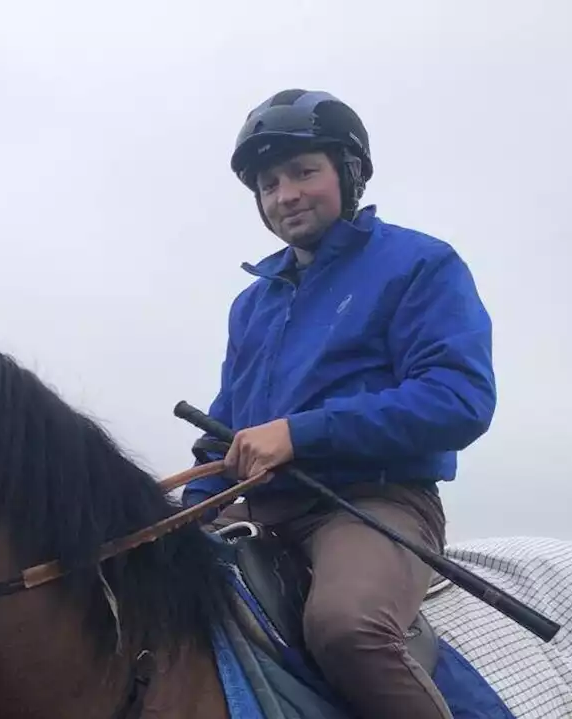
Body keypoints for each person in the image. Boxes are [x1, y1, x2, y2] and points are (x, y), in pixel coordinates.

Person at [182, 89, 497, 718]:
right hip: (261, 509)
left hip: (372, 503)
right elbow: (226, 431)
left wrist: (304, 433)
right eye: (269, 184)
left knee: (346, 628)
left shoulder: (419, 264)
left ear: (349, 174)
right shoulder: (253, 304)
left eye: (304, 172)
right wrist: (184, 515)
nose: (286, 194)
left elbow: (460, 398)